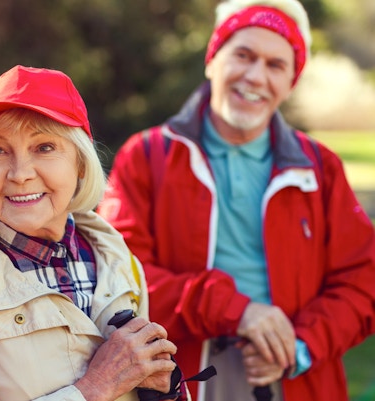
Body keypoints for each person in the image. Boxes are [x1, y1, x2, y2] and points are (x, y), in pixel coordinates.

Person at [96, 0, 375, 400]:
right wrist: (236, 310)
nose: (255, 76)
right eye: (243, 55)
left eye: (275, 65)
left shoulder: (320, 168)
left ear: (290, 82)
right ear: (213, 59)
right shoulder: (147, 156)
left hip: (297, 376)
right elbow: (120, 276)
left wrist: (298, 346)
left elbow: (362, 283)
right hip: (187, 375)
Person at [0, 65, 184, 401]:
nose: (19, 174)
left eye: (44, 147)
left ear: (80, 164)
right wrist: (96, 388)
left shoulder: (121, 263)